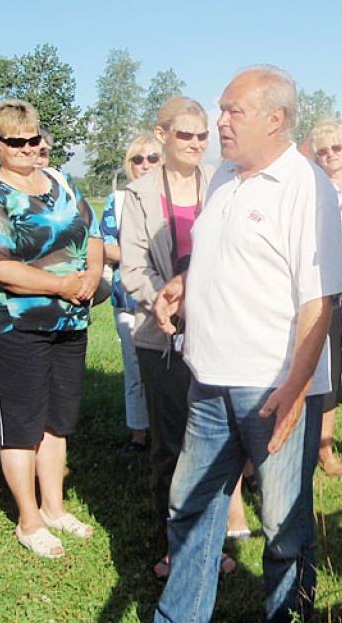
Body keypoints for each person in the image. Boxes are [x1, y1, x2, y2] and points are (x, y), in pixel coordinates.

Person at [151, 66, 342, 623]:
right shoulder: (224, 176)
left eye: (232, 111)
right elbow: (226, 255)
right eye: (221, 109)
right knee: (190, 507)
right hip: (209, 377)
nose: (219, 121)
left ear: (275, 118)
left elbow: (319, 300)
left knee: (284, 527)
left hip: (272, 386)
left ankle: (289, 616)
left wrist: (295, 389)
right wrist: (184, 284)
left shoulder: (305, 186)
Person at [0, 98, 102, 558]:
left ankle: (54, 508)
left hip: (69, 320)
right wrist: (61, 284)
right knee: (21, 424)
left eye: (32, 140)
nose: (26, 148)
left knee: (57, 420)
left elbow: (93, 233)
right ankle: (29, 519)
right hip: (12, 324)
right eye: (15, 142)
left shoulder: (61, 183)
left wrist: (91, 275)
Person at [120, 97, 246, 579]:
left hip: (219, 331)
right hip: (163, 335)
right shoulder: (139, 194)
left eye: (202, 135)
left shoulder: (222, 182)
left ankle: (209, 544)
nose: (195, 143)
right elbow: (134, 267)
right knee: (171, 447)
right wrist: (166, 300)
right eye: (184, 135)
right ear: (162, 135)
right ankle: (175, 548)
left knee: (214, 444)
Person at [101, 134, 162, 454]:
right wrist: (140, 255)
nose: (145, 164)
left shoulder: (171, 199)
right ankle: (139, 433)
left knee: (172, 370)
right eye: (138, 159)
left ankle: (167, 430)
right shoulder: (118, 201)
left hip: (168, 298)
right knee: (135, 369)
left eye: (152, 158)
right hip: (129, 299)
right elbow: (105, 245)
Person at [308, 120, 342, 473]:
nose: (330, 155)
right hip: (325, 284)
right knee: (329, 366)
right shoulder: (311, 189)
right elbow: (315, 237)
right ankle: (324, 448)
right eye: (323, 151)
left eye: (336, 148)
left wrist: (340, 234)